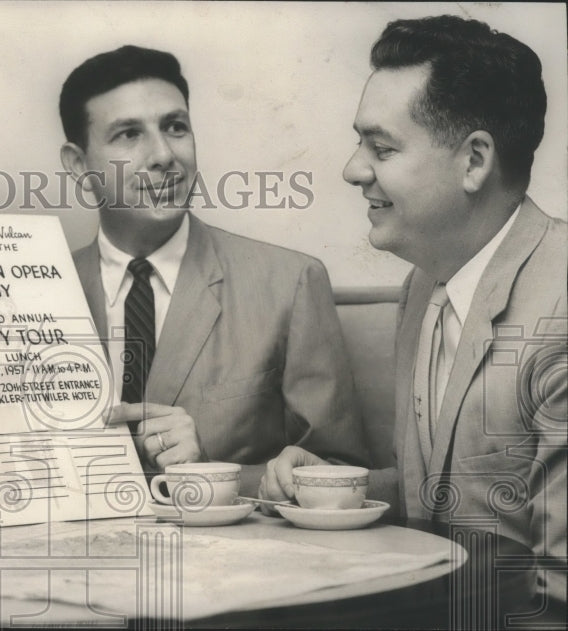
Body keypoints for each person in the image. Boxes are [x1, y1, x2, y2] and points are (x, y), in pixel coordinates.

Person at [259, 16, 566, 602]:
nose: (353, 169)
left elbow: (559, 590)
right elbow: (447, 497)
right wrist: (329, 485)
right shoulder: (423, 288)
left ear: (474, 160)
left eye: (381, 147)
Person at [59, 46, 368, 492]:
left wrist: (210, 472)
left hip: (231, 557)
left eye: (175, 126)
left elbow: (344, 476)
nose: (164, 154)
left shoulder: (289, 283)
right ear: (78, 164)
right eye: (128, 134)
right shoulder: (31, 294)